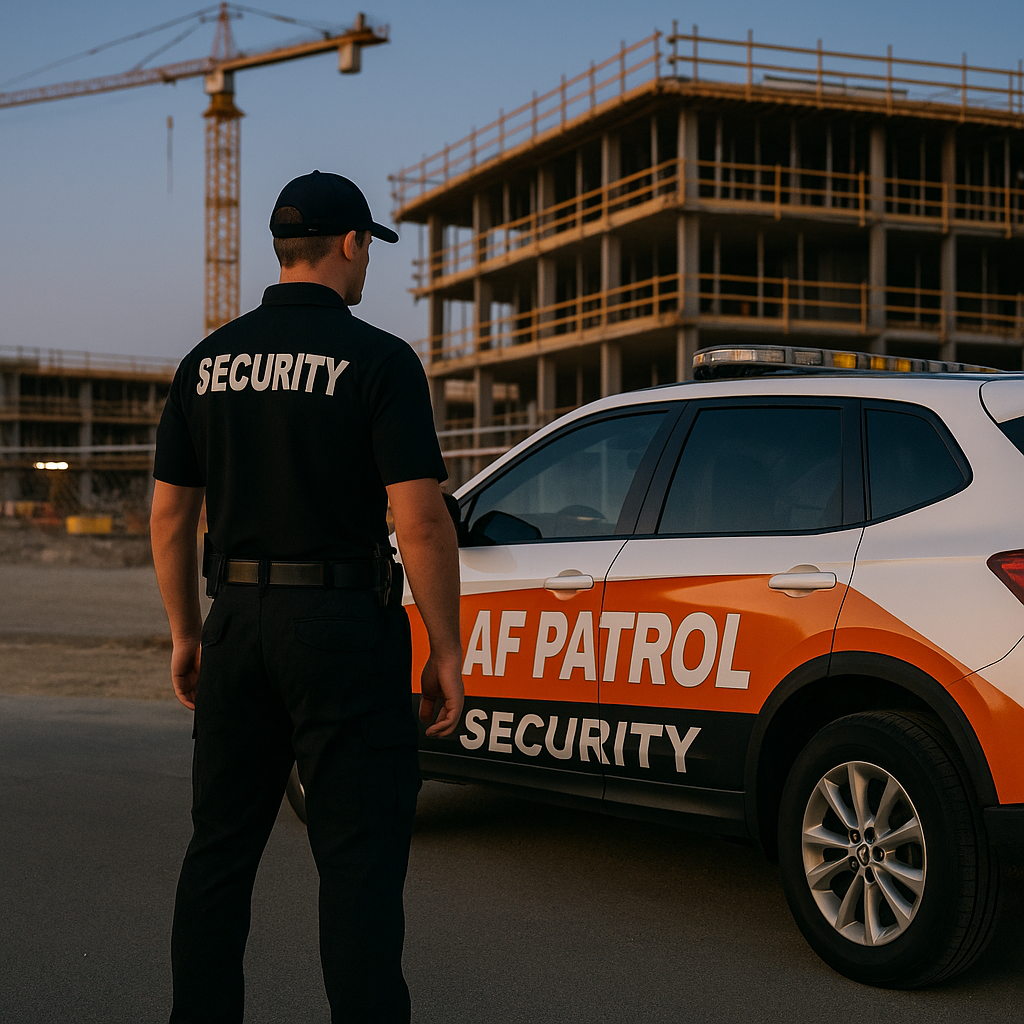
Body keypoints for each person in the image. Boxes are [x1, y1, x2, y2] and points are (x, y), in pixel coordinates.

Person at [150, 169, 464, 1024]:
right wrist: (446, 648)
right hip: (341, 628)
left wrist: (188, 633)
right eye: (369, 249)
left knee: (218, 852)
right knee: (358, 863)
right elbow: (422, 522)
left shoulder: (205, 362)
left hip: (237, 623)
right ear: (352, 244)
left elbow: (172, 516)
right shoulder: (381, 361)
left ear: (282, 249)